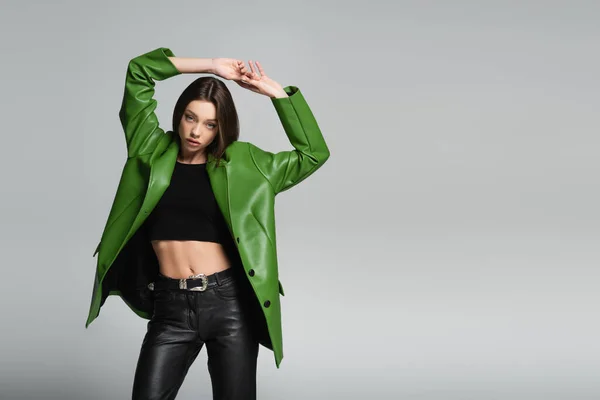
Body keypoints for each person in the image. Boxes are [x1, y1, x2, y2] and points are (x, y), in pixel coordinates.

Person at [84, 47, 330, 400]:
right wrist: (212, 65)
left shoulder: (247, 164)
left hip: (230, 305)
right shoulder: (149, 150)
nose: (196, 131)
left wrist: (276, 93)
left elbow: (312, 153)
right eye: (190, 117)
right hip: (170, 306)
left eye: (210, 124)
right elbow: (139, 72)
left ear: (222, 127)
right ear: (179, 115)